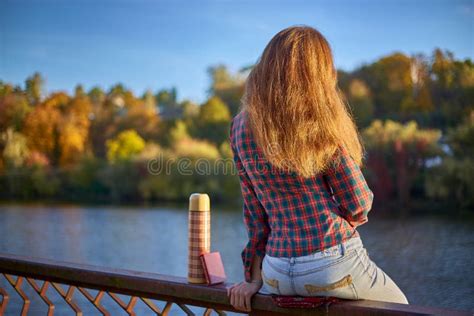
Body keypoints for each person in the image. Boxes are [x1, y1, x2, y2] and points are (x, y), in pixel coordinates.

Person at [226, 25, 409, 313]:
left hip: (276, 271)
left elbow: (255, 214)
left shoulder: (239, 127)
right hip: (332, 263)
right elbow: (359, 204)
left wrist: (253, 278)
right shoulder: (317, 119)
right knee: (403, 308)